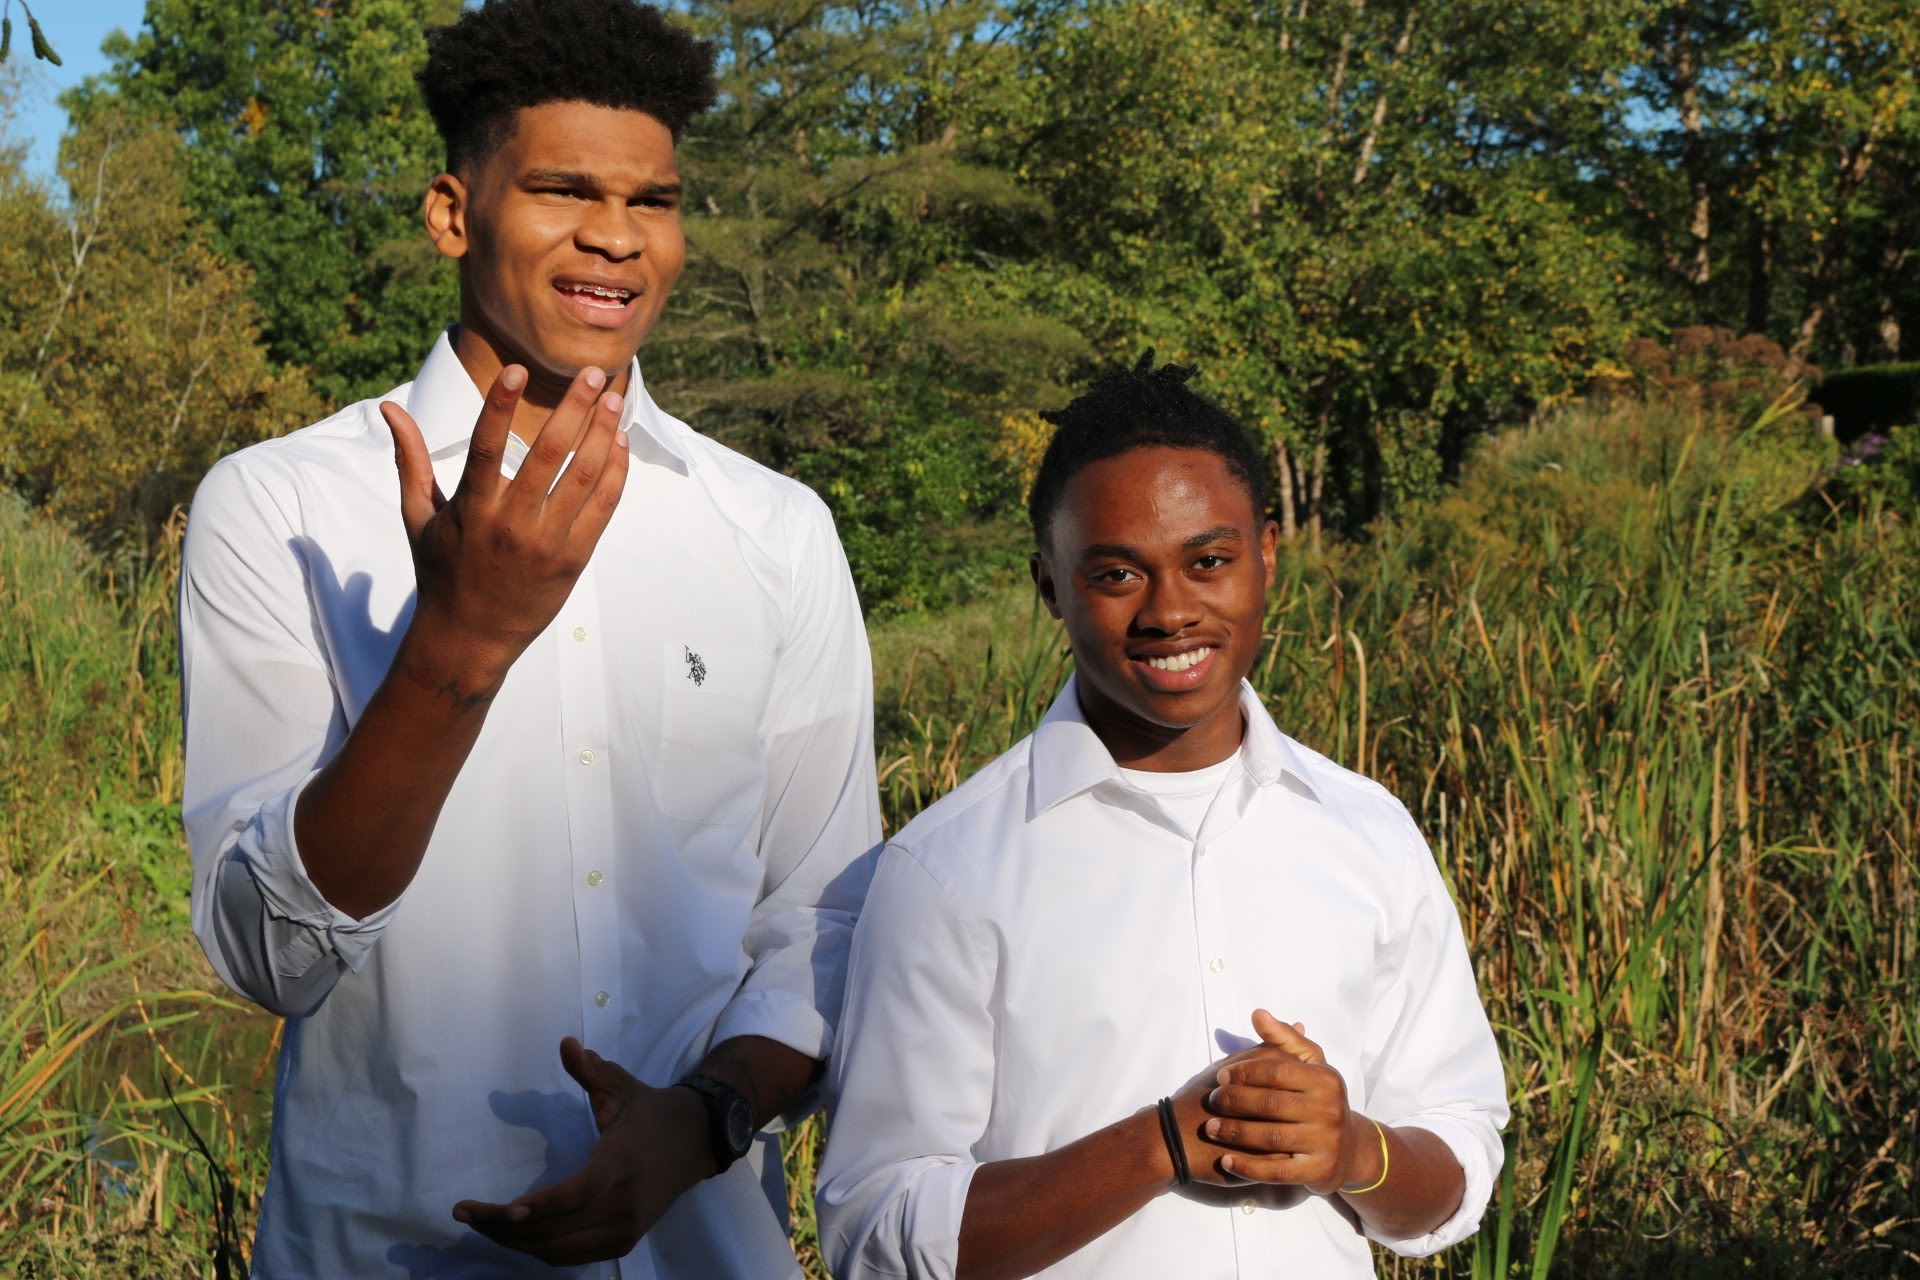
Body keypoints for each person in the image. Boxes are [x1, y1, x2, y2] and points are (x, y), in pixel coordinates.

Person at [178, 3, 881, 1276]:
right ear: (454, 212)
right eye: (563, 188)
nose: (615, 236)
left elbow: (823, 923)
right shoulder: (281, 505)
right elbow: (265, 954)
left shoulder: (776, 529)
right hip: (389, 1252)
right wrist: (457, 647)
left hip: (703, 1248)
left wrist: (703, 1120)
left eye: (652, 200)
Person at [816, 355, 1507, 1279]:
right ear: (1049, 587)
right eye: (1115, 576)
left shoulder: (1369, 831)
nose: (1172, 611)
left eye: (1209, 561)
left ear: (1267, 553)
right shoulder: (945, 870)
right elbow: (871, 1226)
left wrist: (1353, 1150)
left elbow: (1460, 1162)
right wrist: (1160, 1146)